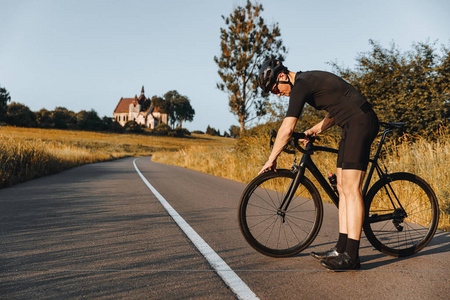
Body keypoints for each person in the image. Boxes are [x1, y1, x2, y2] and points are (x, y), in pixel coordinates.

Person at [257, 59, 379, 271]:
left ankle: (352, 256)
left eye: (275, 88)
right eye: (272, 92)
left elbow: (287, 127)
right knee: (342, 188)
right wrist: (314, 130)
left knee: (351, 189)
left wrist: (271, 158)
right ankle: (340, 249)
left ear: (283, 76)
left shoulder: (302, 84)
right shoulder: (306, 82)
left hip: (361, 122)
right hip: (349, 125)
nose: (277, 94)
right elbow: (334, 112)